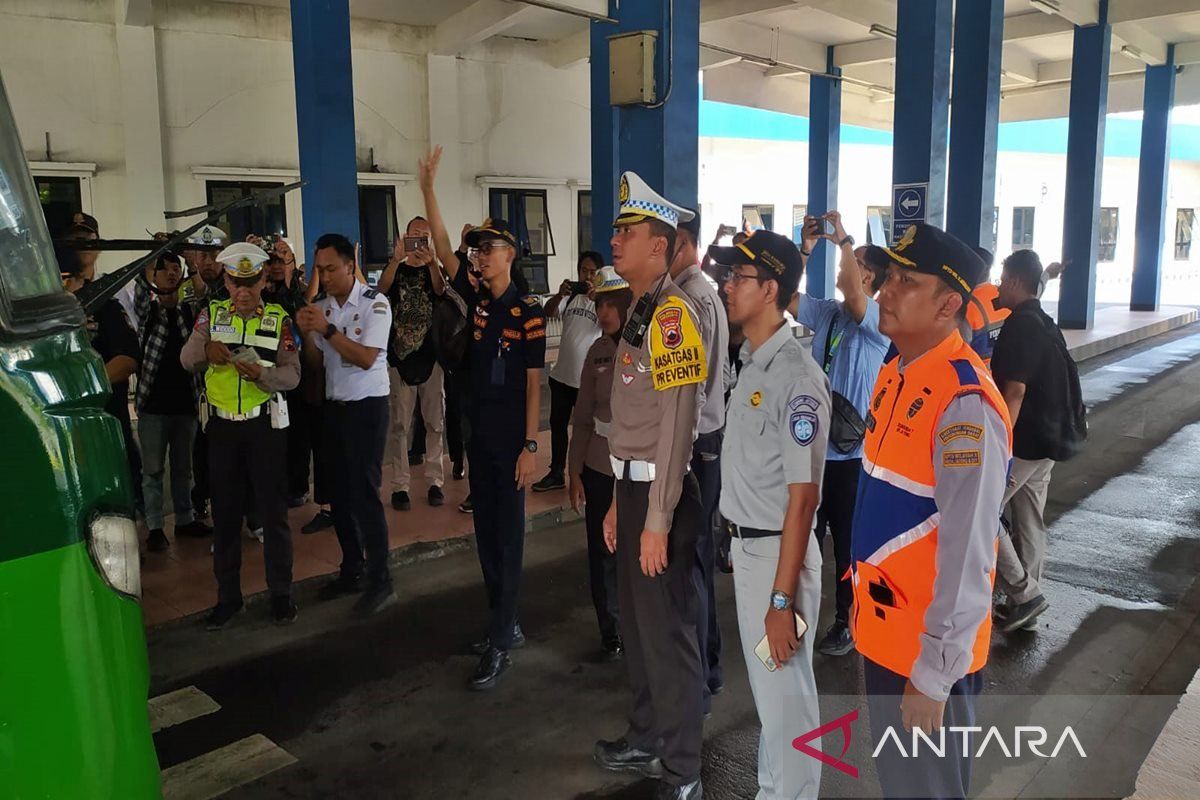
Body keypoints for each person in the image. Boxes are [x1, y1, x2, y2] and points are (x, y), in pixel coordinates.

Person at [851, 223, 1011, 800]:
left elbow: (970, 552)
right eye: (887, 276)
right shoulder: (896, 373)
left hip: (926, 655)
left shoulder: (964, 401)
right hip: (885, 638)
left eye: (905, 281)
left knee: (929, 791)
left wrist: (936, 673)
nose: (885, 291)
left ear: (949, 304)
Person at [593, 172, 705, 800]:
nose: (614, 240)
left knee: (667, 635)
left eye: (626, 232)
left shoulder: (671, 316)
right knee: (637, 632)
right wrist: (619, 501)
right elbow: (631, 422)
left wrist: (657, 515)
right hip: (633, 490)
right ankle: (647, 735)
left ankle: (684, 765)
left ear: (659, 246)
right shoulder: (639, 307)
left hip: (663, 494)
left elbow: (676, 422)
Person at [715, 228, 829, 800]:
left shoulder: (797, 377)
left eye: (739, 278)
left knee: (787, 702)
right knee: (772, 701)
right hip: (751, 551)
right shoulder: (751, 363)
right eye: (729, 276)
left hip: (776, 560)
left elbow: (803, 499)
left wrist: (781, 600)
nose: (728, 286)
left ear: (771, 290)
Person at [180, 242, 300, 629]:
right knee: (227, 514)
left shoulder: (279, 319)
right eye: (236, 282)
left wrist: (264, 376)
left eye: (251, 282)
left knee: (273, 513)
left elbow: (293, 374)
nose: (243, 290)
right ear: (226, 282)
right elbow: (186, 360)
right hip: (222, 429)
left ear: (265, 279)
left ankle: (281, 594)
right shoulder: (210, 315)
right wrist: (206, 347)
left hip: (262, 425)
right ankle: (228, 598)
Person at [788, 213, 891, 658]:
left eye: (855, 262)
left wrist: (845, 237)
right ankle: (795, 615)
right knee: (805, 538)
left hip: (849, 459)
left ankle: (846, 620)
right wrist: (806, 249)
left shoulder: (876, 322)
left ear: (869, 275)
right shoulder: (827, 313)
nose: (844, 267)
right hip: (813, 452)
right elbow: (783, 299)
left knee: (846, 548)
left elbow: (852, 293)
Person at [295, 234, 397, 617]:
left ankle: (380, 579)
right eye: (320, 271)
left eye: (331, 269)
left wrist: (326, 330)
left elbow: (369, 358)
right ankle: (351, 567)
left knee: (364, 494)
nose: (326, 276)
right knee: (336, 494)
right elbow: (316, 364)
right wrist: (308, 332)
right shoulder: (321, 308)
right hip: (334, 408)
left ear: (350, 265)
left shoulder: (375, 304)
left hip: (368, 409)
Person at [990, 249, 1076, 633]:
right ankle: (1023, 609)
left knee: (981, 509)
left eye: (1002, 278)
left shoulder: (1020, 326)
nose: (998, 285)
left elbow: (1015, 392)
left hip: (1024, 442)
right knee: (1028, 519)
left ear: (1012, 281)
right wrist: (1051, 273)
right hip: (1050, 439)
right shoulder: (1040, 318)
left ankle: (1025, 594)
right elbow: (1038, 281)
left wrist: (999, 451)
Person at [670, 208, 730, 703]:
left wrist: (679, 451)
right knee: (696, 560)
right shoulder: (698, 294)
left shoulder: (692, 300)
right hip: (705, 442)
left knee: (693, 561)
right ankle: (706, 666)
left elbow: (692, 389)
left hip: (698, 446)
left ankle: (703, 672)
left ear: (681, 243)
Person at [567, 267, 633, 661]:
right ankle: (611, 631)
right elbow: (582, 416)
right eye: (599, 304)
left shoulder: (646, 349)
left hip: (636, 470)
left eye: (611, 304)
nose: (604, 312)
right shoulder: (597, 351)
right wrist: (574, 471)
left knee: (633, 552)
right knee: (601, 553)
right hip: (599, 470)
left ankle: (638, 624)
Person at [60, 243, 145, 524]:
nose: (65, 287)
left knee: (115, 497)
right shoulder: (42, 316)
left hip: (105, 420)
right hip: (61, 427)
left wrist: (86, 386)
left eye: (67, 279)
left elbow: (129, 357)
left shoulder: (105, 306)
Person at [133, 251, 211, 552]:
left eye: (174, 269)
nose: (169, 274)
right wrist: (152, 255)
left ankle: (184, 518)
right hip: (152, 406)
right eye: (162, 269)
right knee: (152, 471)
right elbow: (140, 291)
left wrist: (193, 265)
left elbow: (206, 301)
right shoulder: (147, 312)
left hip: (185, 406)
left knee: (183, 468)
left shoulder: (189, 313)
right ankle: (155, 526)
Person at [379, 216, 448, 511]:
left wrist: (433, 263)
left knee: (435, 422)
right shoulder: (395, 268)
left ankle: (435, 481)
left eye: (425, 235)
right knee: (399, 425)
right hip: (399, 358)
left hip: (432, 358)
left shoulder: (435, 269)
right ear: (405, 236)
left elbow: (442, 291)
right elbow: (379, 292)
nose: (420, 240)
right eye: (415, 235)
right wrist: (395, 261)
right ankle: (400, 486)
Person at [534, 251, 603, 493]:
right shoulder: (571, 297)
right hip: (561, 376)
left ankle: (584, 472)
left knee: (584, 428)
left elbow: (608, 325)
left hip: (584, 381)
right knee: (558, 425)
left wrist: (598, 300)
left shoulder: (602, 301)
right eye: (584, 270)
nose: (587, 275)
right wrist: (560, 294)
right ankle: (556, 472)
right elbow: (548, 313)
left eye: (593, 272)